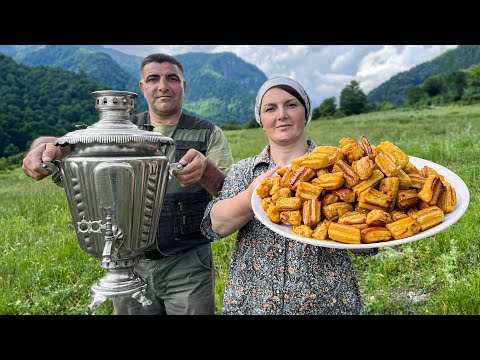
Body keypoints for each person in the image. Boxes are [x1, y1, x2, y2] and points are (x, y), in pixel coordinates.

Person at [22, 53, 234, 315]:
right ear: (142, 87)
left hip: (188, 262)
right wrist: (42, 148)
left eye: (172, 78)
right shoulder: (116, 131)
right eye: (153, 79)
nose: (163, 86)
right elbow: (65, 146)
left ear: (184, 86)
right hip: (127, 263)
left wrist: (206, 171)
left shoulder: (208, 133)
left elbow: (229, 193)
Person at [200, 76, 376, 315]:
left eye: (291, 105)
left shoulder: (340, 168)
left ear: (306, 113)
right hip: (255, 301)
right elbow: (217, 225)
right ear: (261, 120)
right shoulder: (246, 171)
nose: (281, 114)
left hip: (327, 301)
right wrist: (253, 195)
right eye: (270, 108)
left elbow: (368, 244)